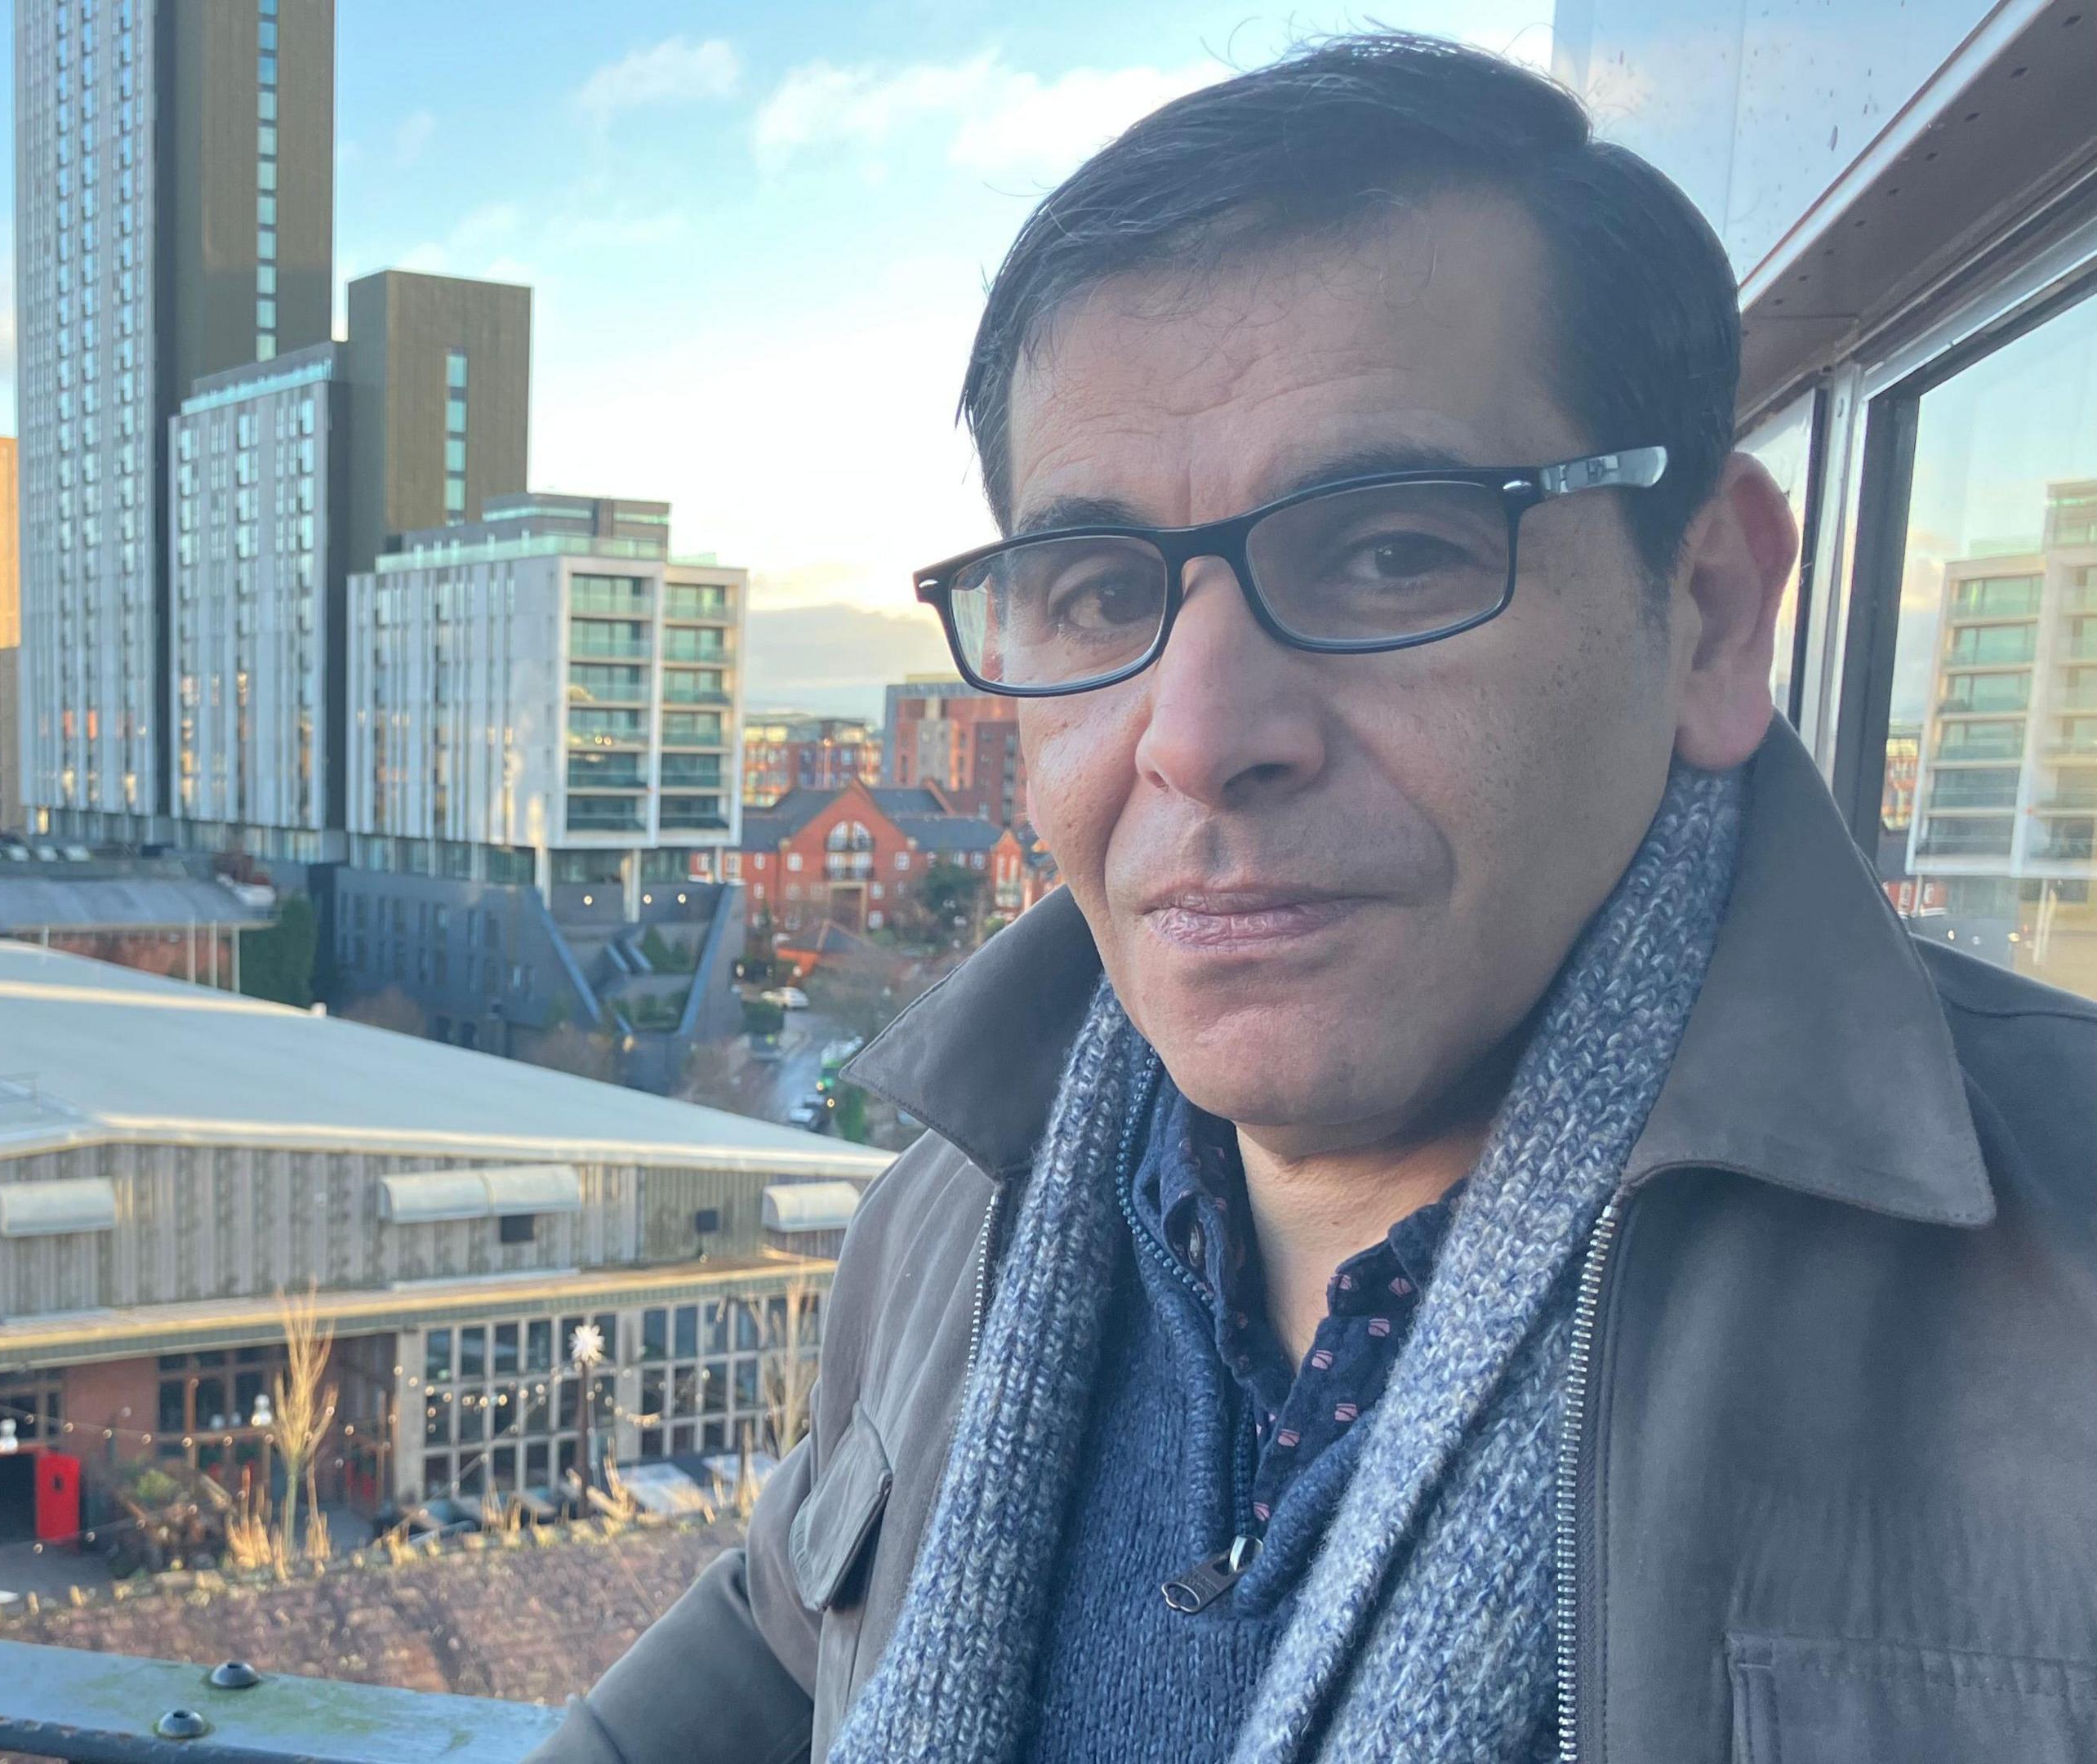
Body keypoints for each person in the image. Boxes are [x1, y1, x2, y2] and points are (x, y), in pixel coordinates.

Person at [532, 33, 2097, 1764]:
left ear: (1713, 610)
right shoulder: (957, 1207)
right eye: (1096, 589)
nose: (1200, 739)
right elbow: (784, 1638)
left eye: (1393, 546)